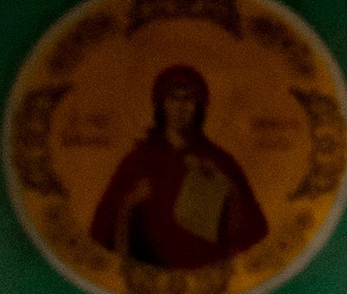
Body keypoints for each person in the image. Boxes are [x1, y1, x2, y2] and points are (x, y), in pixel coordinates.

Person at [89, 66, 269, 276]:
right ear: (161, 105)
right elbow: (103, 227)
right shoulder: (138, 160)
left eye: (189, 99)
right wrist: (129, 205)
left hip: (207, 271)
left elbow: (252, 231)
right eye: (173, 98)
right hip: (149, 268)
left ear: (199, 107)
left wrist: (228, 191)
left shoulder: (220, 162)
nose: (180, 107)